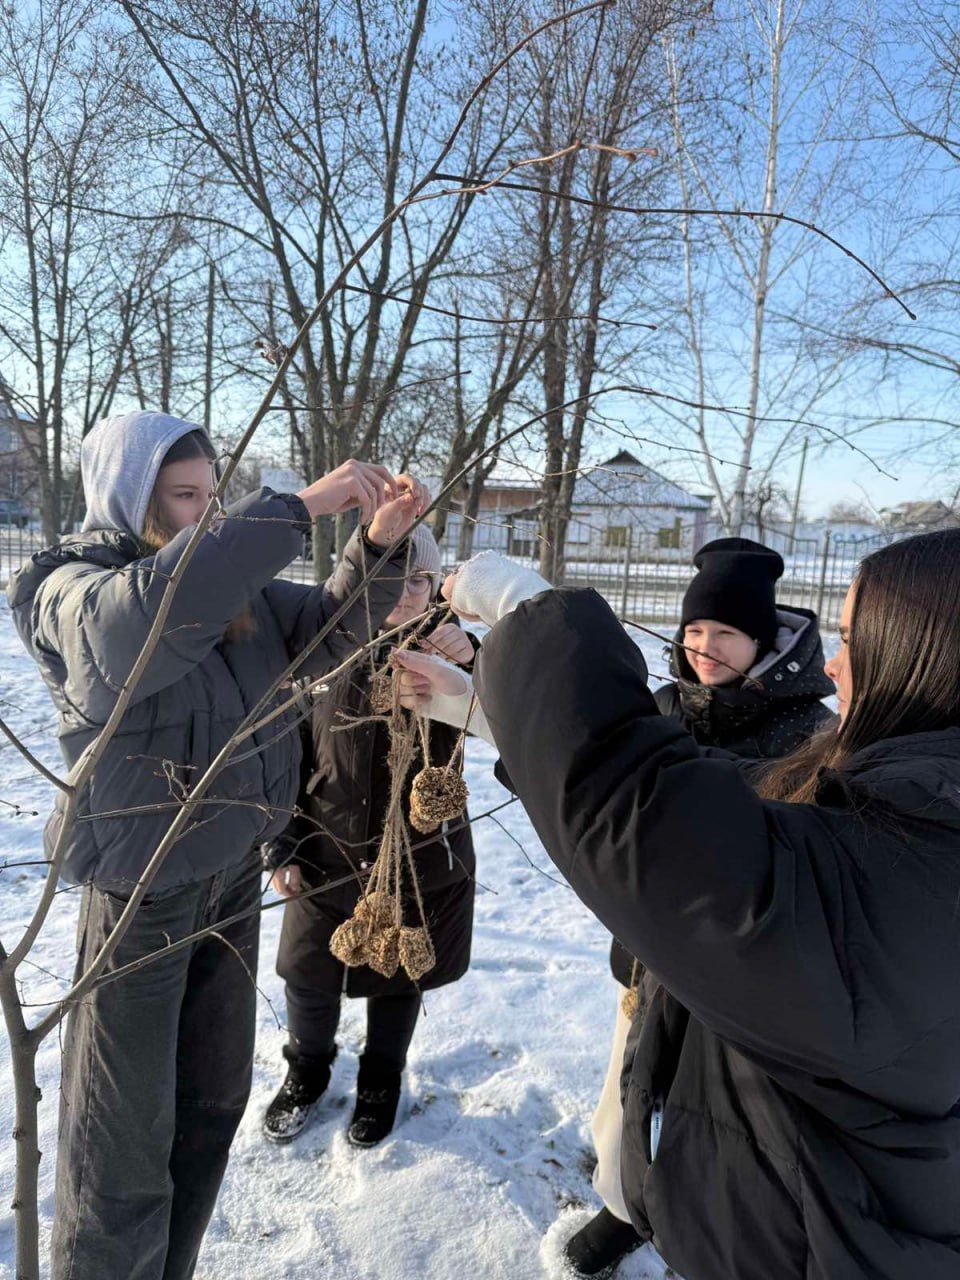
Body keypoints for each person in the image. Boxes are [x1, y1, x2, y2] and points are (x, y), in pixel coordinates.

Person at [398, 534, 960, 1280]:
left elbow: (664, 822)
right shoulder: (910, 797)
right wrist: (494, 715)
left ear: (922, 653)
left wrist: (540, 619)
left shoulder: (915, 839)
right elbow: (732, 792)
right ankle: (631, 1202)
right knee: (629, 1100)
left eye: (855, 638)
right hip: (776, 1193)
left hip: (813, 1242)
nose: (834, 660)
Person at [7, 409, 427, 1280]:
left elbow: (323, 637)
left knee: (208, 1111)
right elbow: (143, 628)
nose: (203, 514)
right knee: (120, 1151)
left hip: (230, 879)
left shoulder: (226, 585)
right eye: (184, 498)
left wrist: (378, 549)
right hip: (141, 897)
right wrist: (296, 508)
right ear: (128, 498)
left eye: (212, 497)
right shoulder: (74, 591)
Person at [569, 538, 836, 1276]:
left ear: (762, 640)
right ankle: (623, 1207)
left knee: (711, 1110)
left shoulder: (810, 731)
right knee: (627, 1083)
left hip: (743, 969)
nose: (702, 649)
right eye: (691, 634)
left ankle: (693, 1217)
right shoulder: (665, 706)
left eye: (721, 633)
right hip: (648, 948)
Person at [261, 522, 479, 1148]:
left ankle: (381, 1081)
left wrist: (474, 659)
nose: (406, 593)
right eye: (393, 578)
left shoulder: (452, 650)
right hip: (323, 850)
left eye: (420, 579)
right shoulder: (325, 647)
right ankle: (306, 1072)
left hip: (421, 860)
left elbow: (502, 710)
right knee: (307, 972)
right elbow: (288, 753)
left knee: (399, 976)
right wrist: (282, 844)